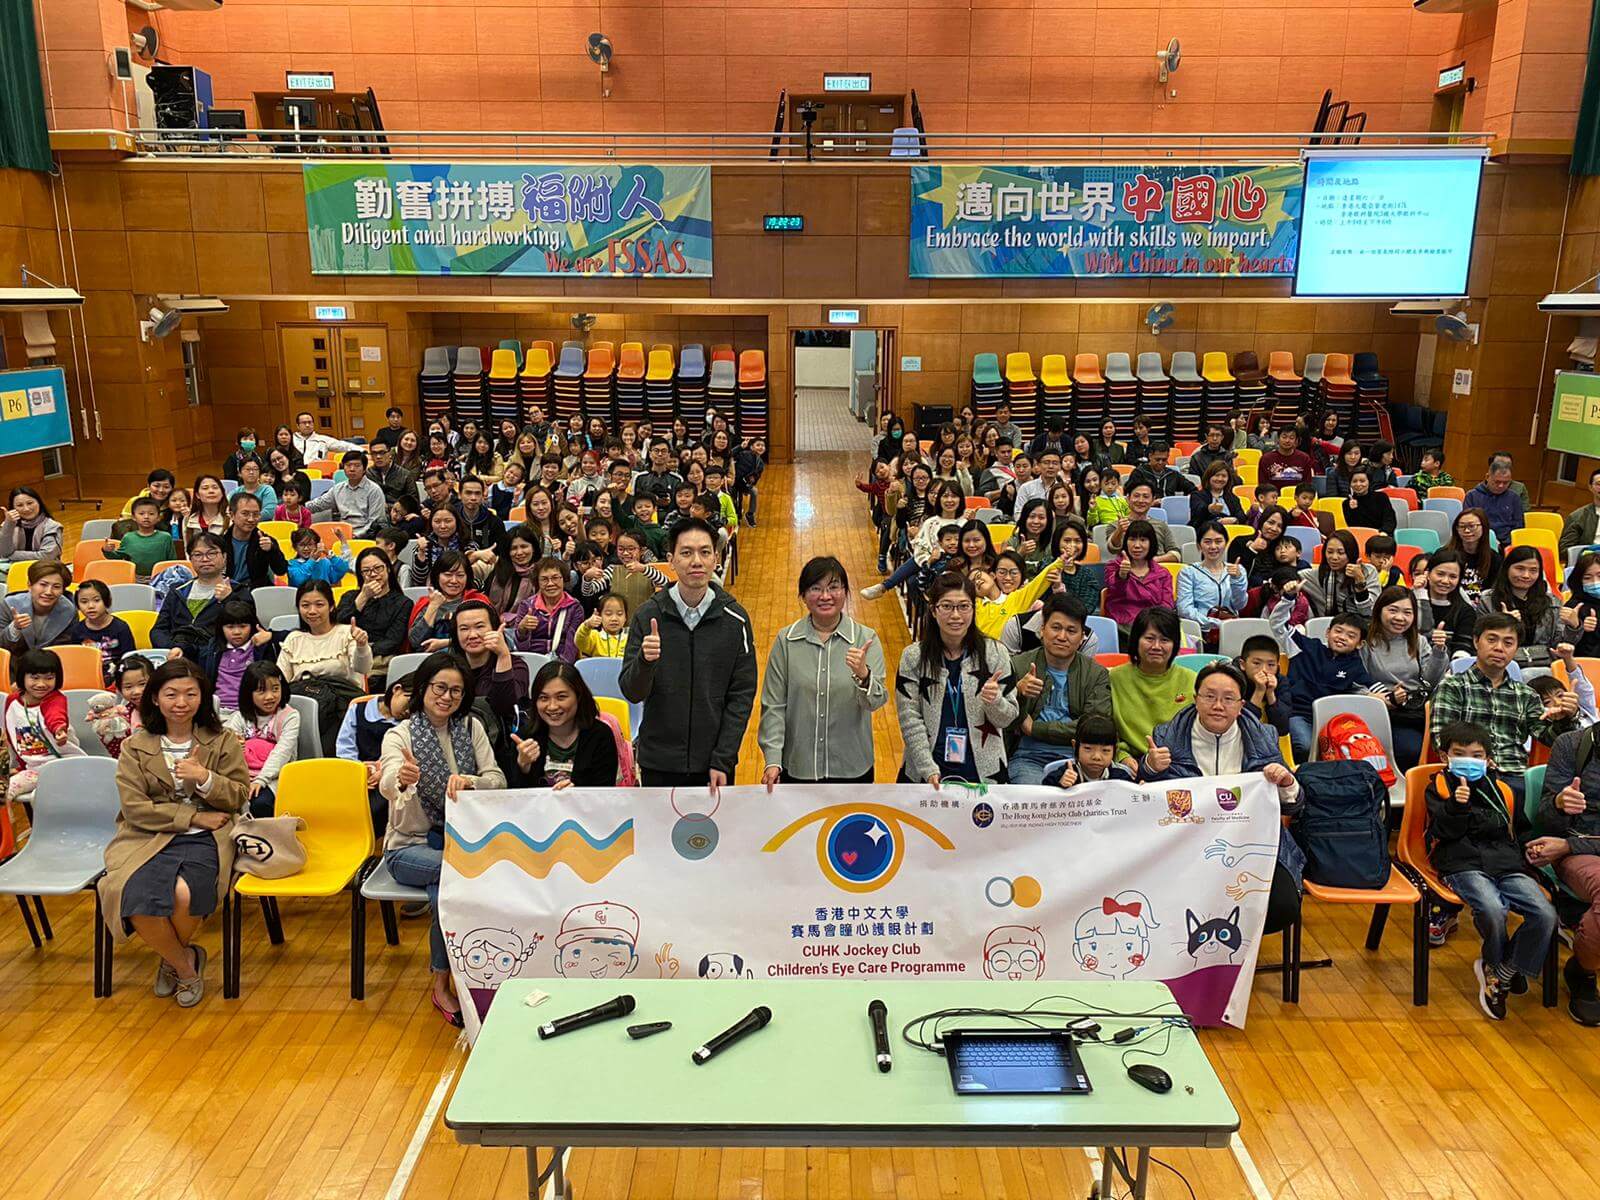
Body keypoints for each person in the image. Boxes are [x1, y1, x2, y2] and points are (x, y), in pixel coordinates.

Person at [97, 658, 250, 1009]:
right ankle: (185, 965)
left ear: (203, 697)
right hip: (147, 835)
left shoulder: (222, 740)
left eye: (190, 694)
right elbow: (134, 807)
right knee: (132, 893)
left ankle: (173, 960)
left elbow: (239, 795)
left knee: (183, 894)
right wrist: (192, 817)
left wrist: (205, 779)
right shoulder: (135, 745)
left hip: (209, 836)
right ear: (155, 698)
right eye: (171, 694)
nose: (181, 702)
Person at [379, 651, 506, 1027]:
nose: (447, 697)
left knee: (446, 888)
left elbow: (497, 779)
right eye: (439, 687)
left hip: (462, 843)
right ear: (423, 688)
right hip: (410, 847)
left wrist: (472, 782)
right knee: (461, 873)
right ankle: (457, 979)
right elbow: (387, 782)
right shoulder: (400, 734)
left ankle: (454, 979)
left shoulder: (470, 727)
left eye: (456, 690)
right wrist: (402, 778)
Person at [1141, 662, 1304, 935]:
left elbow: (1294, 804)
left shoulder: (1264, 737)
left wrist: (1286, 782)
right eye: (1209, 696)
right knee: (1167, 901)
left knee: (1282, 906)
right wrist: (1149, 766)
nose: (1218, 706)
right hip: (1186, 845)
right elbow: (1147, 797)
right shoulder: (1167, 736)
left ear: (1241, 705)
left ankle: (1232, 946)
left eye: (1228, 699)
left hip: (1251, 844)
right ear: (1195, 700)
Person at [1425, 721, 1557, 1021]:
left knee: (1545, 913)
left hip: (1506, 863)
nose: (1469, 761)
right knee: (1493, 909)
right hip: (1461, 864)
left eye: (1477, 756)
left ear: (1488, 759)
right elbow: (1441, 833)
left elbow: (1519, 829)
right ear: (1445, 756)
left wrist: (1531, 848)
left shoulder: (1503, 790)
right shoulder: (1439, 787)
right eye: (1460, 754)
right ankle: (1498, 968)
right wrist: (1456, 807)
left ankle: (1502, 970)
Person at [620, 518, 757, 789]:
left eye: (705, 552)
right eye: (686, 552)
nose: (696, 561)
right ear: (671, 560)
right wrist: (645, 662)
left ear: (715, 558)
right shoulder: (647, 615)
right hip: (658, 763)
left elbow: (741, 696)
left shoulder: (735, 619)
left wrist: (723, 758)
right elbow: (632, 691)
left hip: (714, 766)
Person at [758, 556, 887, 787]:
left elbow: (875, 702)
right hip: (799, 767)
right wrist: (773, 759)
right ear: (803, 595)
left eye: (834, 587)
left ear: (845, 592)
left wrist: (864, 676)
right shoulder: (786, 641)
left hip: (852, 768)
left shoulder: (866, 639)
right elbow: (774, 705)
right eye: (815, 588)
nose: (825, 596)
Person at [1431, 613, 1578, 805]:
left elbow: (1548, 739)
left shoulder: (1526, 694)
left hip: (1515, 777)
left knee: (1559, 801)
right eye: (1492, 640)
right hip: (1470, 776)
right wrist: (1478, 762)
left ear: (1516, 649)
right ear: (1476, 641)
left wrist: (1564, 718)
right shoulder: (1452, 687)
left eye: (1508, 643)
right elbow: (1440, 738)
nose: (1499, 648)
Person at [893, 573, 1017, 786]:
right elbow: (909, 718)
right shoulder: (913, 657)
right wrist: (927, 768)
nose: (956, 615)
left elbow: (1007, 719)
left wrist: (995, 701)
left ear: (973, 609)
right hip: (926, 773)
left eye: (964, 606)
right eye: (947, 606)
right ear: (933, 610)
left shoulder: (996, 653)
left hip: (985, 773)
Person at [1005, 594, 1113, 785]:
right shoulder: (1017, 666)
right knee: (1036, 798)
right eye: (1056, 628)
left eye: (1071, 630)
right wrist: (1017, 693)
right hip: (1028, 757)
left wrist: (1034, 728)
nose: (1062, 637)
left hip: (1081, 760)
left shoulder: (1096, 674)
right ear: (1042, 630)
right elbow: (1001, 720)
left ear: (1082, 637)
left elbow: (1094, 726)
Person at [1536, 731, 1600, 1024]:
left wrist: (1570, 845)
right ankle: (1583, 970)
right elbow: (1545, 817)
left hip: (1574, 845)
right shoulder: (1572, 744)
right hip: (1579, 852)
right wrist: (1559, 803)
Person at [278, 580, 372, 755]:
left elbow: (363, 668)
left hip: (340, 708)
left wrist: (361, 646)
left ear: (331, 606)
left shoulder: (346, 633)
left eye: (319, 604)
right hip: (302, 710)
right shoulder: (294, 639)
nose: (312, 611)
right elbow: (280, 680)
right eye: (305, 605)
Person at [1363, 586, 1448, 771]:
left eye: (1407, 613)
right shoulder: (1366, 641)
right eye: (1393, 610)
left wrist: (1439, 651)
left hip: (1417, 709)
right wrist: (1375, 697)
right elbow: (1354, 679)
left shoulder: (1418, 640)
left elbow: (1430, 681)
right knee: (1411, 749)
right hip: (1385, 711)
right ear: (1379, 610)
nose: (1400, 618)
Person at [1107, 607, 1195, 773]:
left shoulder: (1191, 679)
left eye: (1165, 640)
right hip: (1130, 764)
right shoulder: (1114, 678)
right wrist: (1121, 756)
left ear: (1175, 644)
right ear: (1136, 640)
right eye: (1149, 638)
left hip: (1179, 765)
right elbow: (1106, 727)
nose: (1156, 646)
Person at [509, 661, 620, 788]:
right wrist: (523, 766)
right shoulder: (525, 738)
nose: (552, 706)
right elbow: (514, 795)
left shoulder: (600, 735)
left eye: (561, 697)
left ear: (578, 697)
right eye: (544, 698)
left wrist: (576, 792)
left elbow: (604, 791)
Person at [4, 648, 86, 811]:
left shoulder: (55, 699)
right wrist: (19, 766)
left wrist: (59, 729)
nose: (41, 684)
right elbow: (13, 735)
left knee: (41, 798)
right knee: (6, 791)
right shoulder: (12, 701)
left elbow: (55, 715)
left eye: (49, 678)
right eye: (34, 678)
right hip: (33, 770)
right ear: (22, 677)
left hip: (65, 765)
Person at [1285, 611, 1373, 762]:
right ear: (1327, 632)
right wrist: (1287, 600)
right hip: (1299, 713)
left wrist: (1392, 697)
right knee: (1305, 746)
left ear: (1360, 644)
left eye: (1351, 636)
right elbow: (1278, 624)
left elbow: (1372, 687)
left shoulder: (1355, 665)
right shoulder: (1308, 647)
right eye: (1338, 631)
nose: (1342, 637)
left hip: (1332, 721)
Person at [338, 673, 412, 837]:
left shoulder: (408, 724)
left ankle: (366, 841)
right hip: (356, 771)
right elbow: (345, 746)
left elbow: (403, 753)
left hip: (387, 775)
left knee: (378, 804)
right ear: (397, 690)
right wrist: (358, 770)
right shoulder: (358, 709)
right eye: (408, 703)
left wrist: (381, 772)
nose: (408, 711)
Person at [223, 661, 299, 817]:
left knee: (260, 803)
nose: (270, 696)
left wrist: (261, 779)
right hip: (243, 774)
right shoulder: (240, 717)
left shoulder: (290, 716)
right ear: (248, 693)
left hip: (275, 775)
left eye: (275, 689)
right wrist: (234, 745)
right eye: (261, 691)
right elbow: (226, 745)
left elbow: (282, 753)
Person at [335, 547, 410, 678]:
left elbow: (393, 641)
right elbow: (337, 625)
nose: (373, 574)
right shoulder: (350, 597)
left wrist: (362, 649)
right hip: (345, 656)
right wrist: (363, 597)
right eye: (366, 571)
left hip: (379, 660)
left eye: (378, 568)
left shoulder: (403, 603)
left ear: (388, 568)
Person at [1476, 544, 1565, 652]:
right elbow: (1481, 641)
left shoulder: (1552, 602)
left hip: (1542, 659)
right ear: (1507, 569)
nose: (1526, 575)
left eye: (1533, 570)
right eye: (1520, 569)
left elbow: (1559, 644)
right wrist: (1504, 624)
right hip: (1502, 658)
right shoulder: (1488, 600)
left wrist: (1573, 627)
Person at [1177, 521, 1249, 647]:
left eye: (1218, 541)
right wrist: (1214, 623)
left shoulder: (1238, 570)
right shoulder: (1188, 572)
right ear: (1199, 545)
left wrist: (1237, 580)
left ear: (1226, 543)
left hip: (1231, 632)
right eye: (1207, 542)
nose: (1213, 546)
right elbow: (1184, 609)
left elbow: (1240, 604)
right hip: (1200, 633)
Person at [504, 556, 584, 662]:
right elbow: (521, 649)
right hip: (532, 660)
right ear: (537, 582)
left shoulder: (574, 607)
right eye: (544, 579)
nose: (550, 583)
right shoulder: (526, 606)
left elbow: (572, 646)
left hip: (560, 662)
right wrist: (522, 630)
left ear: (564, 579)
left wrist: (561, 667)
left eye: (555, 578)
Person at [1104, 519, 1173, 634]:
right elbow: (1114, 590)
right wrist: (1122, 575)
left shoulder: (1163, 574)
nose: (1137, 545)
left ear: (1151, 543)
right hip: (1122, 626)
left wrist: (1152, 625)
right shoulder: (1113, 566)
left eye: (1143, 540)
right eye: (1132, 539)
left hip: (1153, 626)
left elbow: (1166, 605)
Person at [1299, 530, 1378, 618]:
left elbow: (1368, 612)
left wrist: (1360, 581)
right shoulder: (1317, 574)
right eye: (1330, 552)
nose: (1334, 557)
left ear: (1351, 553)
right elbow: (1293, 575)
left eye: (1341, 553)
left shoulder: (1368, 572)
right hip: (1327, 623)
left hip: (1360, 623)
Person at [1, 560, 78, 651]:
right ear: (30, 585)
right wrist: (14, 628)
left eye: (56, 587)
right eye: (43, 584)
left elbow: (67, 648)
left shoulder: (70, 611)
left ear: (63, 590)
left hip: (51, 658)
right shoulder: (10, 604)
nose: (49, 592)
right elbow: (1, 644)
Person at [220, 492, 289, 594]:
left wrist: (272, 550)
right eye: (245, 514)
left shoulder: (265, 540)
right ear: (232, 515)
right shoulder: (220, 542)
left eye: (256, 514)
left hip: (256, 592)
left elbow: (281, 570)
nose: (251, 519)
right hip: (227, 591)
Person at [308, 450, 388, 536]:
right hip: (342, 533)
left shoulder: (374, 490)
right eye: (348, 465)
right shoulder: (338, 488)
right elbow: (319, 504)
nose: (352, 469)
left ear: (364, 469)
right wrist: (299, 507)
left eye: (357, 466)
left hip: (365, 535)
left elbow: (375, 521)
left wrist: (356, 535)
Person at [71, 579, 135, 684]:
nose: (90, 606)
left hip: (117, 678)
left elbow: (129, 658)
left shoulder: (121, 628)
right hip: (88, 677)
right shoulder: (77, 630)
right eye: (84, 602)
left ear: (107, 601)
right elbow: (76, 661)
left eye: (96, 600)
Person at [1041, 713, 1133, 787]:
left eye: (1105, 750)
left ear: (1115, 750)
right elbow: (1045, 792)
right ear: (1075, 746)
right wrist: (1060, 785)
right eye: (1088, 749)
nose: (1096, 757)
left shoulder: (1121, 778)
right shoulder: (1064, 773)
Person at [1464, 451, 1525, 547]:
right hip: (1479, 541)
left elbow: (1518, 526)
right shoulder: (1472, 496)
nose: (1501, 486)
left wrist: (1507, 542)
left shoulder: (1514, 498)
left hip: (1506, 543)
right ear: (1487, 477)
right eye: (1497, 482)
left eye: (1506, 482)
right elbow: (1468, 523)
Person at [1448, 507, 1501, 605]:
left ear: (1484, 527)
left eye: (1472, 526)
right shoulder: (1446, 554)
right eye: (1462, 526)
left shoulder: (1494, 558)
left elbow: (1495, 589)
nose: (1467, 530)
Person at [0, 487, 63, 562]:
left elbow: (46, 556)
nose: (26, 509)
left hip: (45, 568)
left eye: (30, 503)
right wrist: (8, 526)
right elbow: (4, 553)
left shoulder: (52, 526)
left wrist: (12, 555)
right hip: (15, 567)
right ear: (13, 508)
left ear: (39, 503)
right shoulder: (9, 526)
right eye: (20, 505)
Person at [286, 527, 352, 587]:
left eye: (310, 544)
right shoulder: (291, 564)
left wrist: (329, 553)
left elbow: (342, 569)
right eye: (302, 545)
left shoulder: (325, 563)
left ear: (317, 545)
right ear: (295, 547)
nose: (306, 548)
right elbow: (299, 580)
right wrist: (312, 560)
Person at [1189, 460, 1246, 526]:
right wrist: (1209, 509)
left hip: (1231, 529)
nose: (1220, 479)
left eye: (1224, 476)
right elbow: (1197, 516)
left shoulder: (1233, 498)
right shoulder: (1197, 495)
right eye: (1216, 475)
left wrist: (1235, 520)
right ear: (1209, 477)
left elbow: (1241, 516)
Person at [1342, 466, 1396, 534]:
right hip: (1359, 535)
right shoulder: (1347, 503)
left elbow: (1390, 520)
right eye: (1354, 481)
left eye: (1362, 481)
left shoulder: (1381, 497)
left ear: (1369, 482)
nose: (1358, 484)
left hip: (1380, 535)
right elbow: (1353, 526)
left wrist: (1384, 532)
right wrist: (1353, 510)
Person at [367, 439, 417, 507]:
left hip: (398, 511)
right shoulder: (368, 474)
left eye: (382, 452)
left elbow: (414, 502)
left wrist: (390, 507)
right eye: (374, 453)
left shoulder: (405, 474)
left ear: (390, 453)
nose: (378, 457)